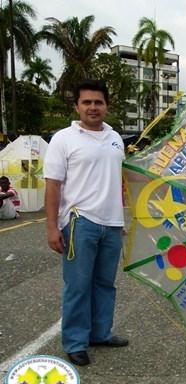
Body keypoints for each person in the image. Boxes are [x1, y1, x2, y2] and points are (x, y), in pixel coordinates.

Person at [44, 80, 128, 366]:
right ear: (77, 106)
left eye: (98, 102)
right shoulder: (64, 139)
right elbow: (53, 185)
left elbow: (118, 180)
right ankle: (76, 342)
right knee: (78, 285)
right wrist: (52, 226)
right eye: (87, 102)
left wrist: (122, 217)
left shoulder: (116, 138)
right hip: (80, 222)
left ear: (107, 106)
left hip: (113, 224)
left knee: (106, 284)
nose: (93, 107)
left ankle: (100, 333)